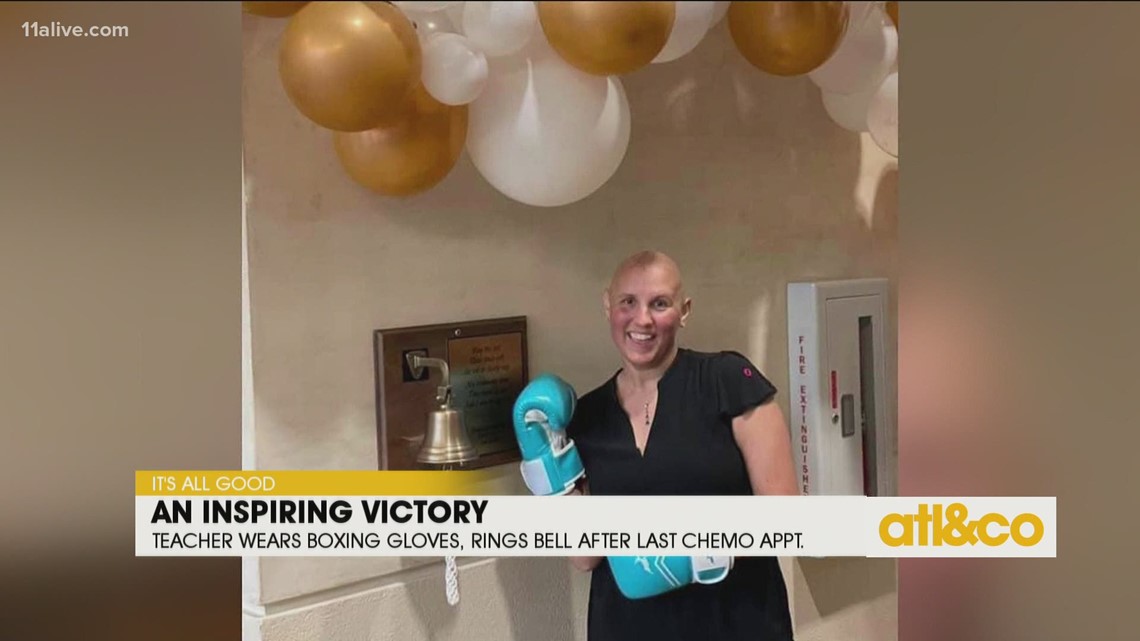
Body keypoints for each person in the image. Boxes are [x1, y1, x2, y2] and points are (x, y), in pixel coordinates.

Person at [565, 250, 798, 641]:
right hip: (626, 628)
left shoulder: (727, 381)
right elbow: (585, 557)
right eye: (628, 302)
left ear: (684, 311)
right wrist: (548, 465)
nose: (642, 319)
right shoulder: (589, 416)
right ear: (608, 306)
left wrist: (694, 554)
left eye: (659, 303)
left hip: (736, 623)